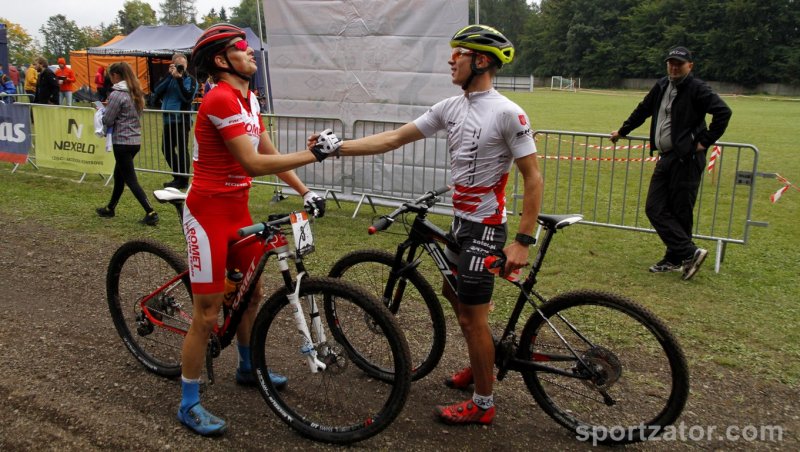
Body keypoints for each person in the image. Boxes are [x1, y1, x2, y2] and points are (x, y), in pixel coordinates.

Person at [321, 24, 543, 426]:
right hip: (461, 224)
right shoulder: (450, 107)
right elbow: (394, 138)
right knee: (453, 293)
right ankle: (483, 360)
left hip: (486, 229)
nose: (450, 60)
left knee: (470, 317)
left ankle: (484, 403)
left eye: (458, 54)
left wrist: (523, 241)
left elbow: (533, 178)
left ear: (481, 61)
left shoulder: (508, 112)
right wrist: (337, 149)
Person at [176, 23, 333, 437]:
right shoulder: (219, 98)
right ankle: (188, 403)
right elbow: (252, 164)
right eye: (241, 47)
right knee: (207, 314)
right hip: (207, 215)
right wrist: (314, 154)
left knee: (252, 294)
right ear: (221, 60)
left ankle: (247, 366)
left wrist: (305, 190)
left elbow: (270, 153)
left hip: (237, 211)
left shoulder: (250, 99)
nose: (250, 52)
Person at [610, 46, 731, 281]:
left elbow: (723, 112)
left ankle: (677, 258)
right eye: (671, 63)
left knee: (680, 210)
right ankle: (687, 254)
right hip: (666, 156)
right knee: (654, 207)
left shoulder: (697, 88)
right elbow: (643, 109)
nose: (674, 67)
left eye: (679, 64)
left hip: (687, 158)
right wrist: (623, 131)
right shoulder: (662, 85)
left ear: (690, 66)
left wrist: (704, 142)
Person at [94, 62, 160, 226]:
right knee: (119, 175)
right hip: (134, 140)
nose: (110, 79)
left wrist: (100, 113)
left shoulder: (117, 94)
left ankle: (151, 212)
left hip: (121, 141)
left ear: (116, 75)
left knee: (130, 179)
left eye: (111, 76)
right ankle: (110, 208)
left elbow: (108, 119)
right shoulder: (135, 92)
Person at [153, 53, 197, 189]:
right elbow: (157, 90)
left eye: (182, 65)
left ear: (186, 65)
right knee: (166, 149)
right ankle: (179, 176)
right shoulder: (169, 77)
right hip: (168, 119)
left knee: (182, 149)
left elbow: (187, 97)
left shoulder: (190, 80)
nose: (180, 68)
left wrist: (179, 79)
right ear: (172, 64)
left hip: (181, 119)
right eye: (177, 65)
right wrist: (169, 76)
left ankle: (183, 180)